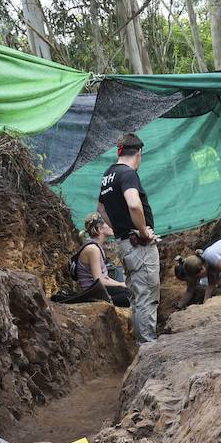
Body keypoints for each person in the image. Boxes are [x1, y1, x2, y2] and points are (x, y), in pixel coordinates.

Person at [97, 133, 159, 342]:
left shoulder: (108, 175)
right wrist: (142, 231)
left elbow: (101, 209)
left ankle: (143, 343)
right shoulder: (128, 174)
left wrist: (119, 229)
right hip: (139, 245)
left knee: (137, 296)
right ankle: (148, 344)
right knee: (146, 295)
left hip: (124, 243)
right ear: (139, 152)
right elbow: (133, 203)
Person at [75, 213, 130, 306]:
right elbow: (99, 280)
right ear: (100, 229)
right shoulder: (92, 249)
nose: (112, 225)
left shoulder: (97, 247)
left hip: (100, 289)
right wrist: (120, 284)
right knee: (129, 296)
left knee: (131, 292)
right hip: (93, 292)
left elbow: (104, 277)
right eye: (108, 223)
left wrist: (121, 284)